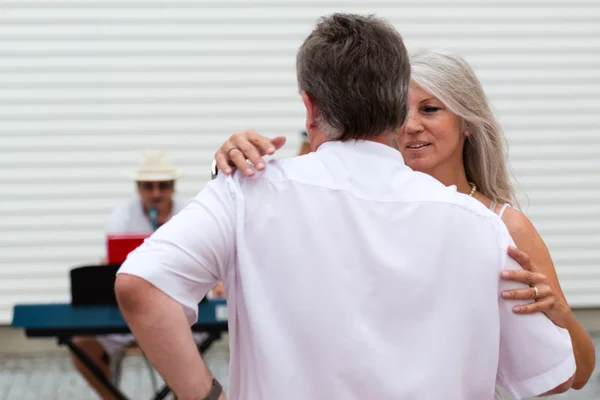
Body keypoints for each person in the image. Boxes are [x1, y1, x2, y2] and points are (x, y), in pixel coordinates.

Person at [115, 13, 575, 400]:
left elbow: (141, 288)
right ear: (398, 107)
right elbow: (551, 378)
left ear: (309, 106)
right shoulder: (480, 224)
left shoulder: (247, 192)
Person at [213, 48, 597, 397]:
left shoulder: (502, 227)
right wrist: (232, 165)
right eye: (402, 112)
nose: (411, 125)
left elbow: (573, 374)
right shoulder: (353, 207)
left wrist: (560, 315)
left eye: (430, 109)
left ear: (467, 122)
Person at [71, 150, 195, 399]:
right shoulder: (121, 217)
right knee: (81, 345)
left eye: (163, 186)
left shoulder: (191, 215)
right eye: (148, 186)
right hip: (128, 315)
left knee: (190, 353)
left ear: (173, 187)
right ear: (138, 188)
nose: (156, 193)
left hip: (182, 314)